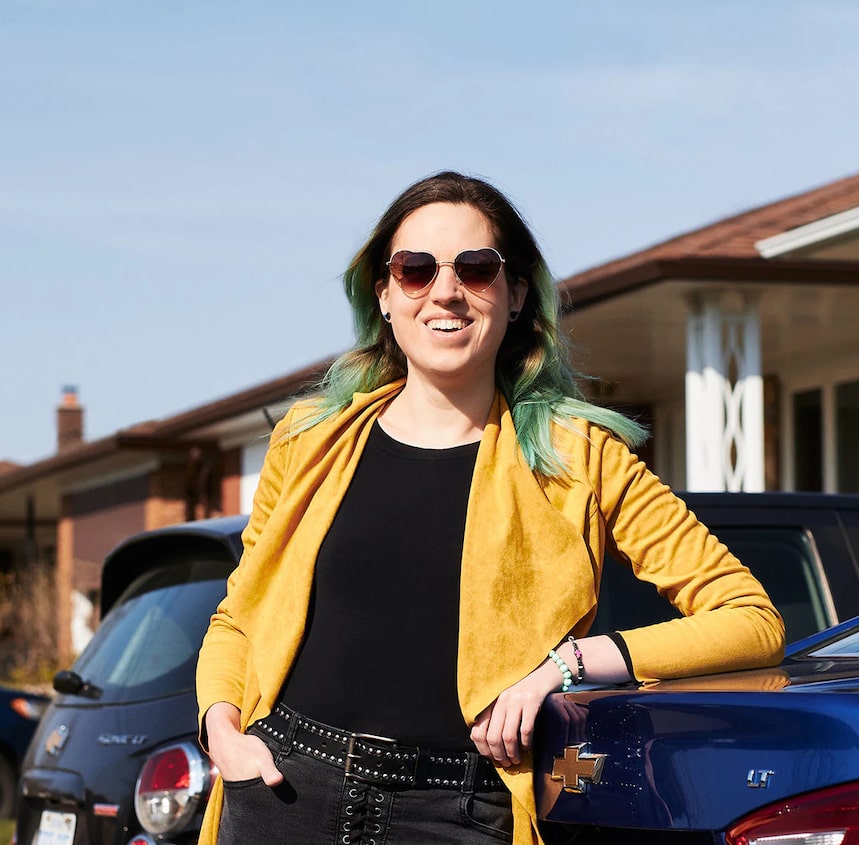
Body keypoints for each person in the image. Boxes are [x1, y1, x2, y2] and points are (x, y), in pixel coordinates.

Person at [195, 171, 785, 845]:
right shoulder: (308, 439)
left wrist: (568, 665)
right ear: (384, 295)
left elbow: (751, 619)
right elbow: (238, 618)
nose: (445, 290)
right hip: (283, 792)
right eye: (415, 269)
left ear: (515, 297)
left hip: (461, 812)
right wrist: (223, 732)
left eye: (475, 268)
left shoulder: (581, 456)